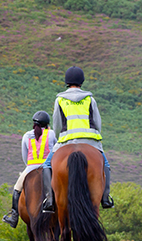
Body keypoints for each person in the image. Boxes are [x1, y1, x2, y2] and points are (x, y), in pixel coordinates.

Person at [41, 66, 114, 213]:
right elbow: (97, 123)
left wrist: (61, 138)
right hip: (90, 141)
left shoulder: (60, 100)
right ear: (82, 81)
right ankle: (105, 198)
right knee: (105, 163)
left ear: (67, 81)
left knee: (46, 165)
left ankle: (49, 199)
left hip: (67, 141)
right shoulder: (89, 99)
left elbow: (56, 126)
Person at [2, 111, 57, 228]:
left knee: (16, 189)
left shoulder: (26, 135)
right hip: (49, 167)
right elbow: (56, 150)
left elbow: (24, 155)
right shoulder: (51, 133)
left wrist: (30, 166)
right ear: (47, 124)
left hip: (31, 168)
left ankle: (14, 217)